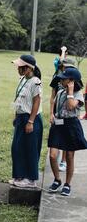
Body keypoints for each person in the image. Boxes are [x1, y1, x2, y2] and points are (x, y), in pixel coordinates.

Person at [47, 67, 87, 196]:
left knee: (69, 156)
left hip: (71, 125)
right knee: (53, 155)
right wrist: (52, 114)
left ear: (71, 81)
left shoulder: (78, 94)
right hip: (58, 125)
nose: (61, 80)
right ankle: (57, 179)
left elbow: (70, 106)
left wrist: (70, 91)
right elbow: (55, 103)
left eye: (64, 79)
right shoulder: (60, 92)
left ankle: (67, 184)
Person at [10, 55, 43, 188]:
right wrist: (16, 116)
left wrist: (31, 121)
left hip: (30, 118)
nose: (18, 68)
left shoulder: (35, 82)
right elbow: (18, 99)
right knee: (17, 148)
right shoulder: (23, 79)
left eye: (20, 66)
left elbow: (37, 102)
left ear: (28, 68)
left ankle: (31, 179)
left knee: (30, 148)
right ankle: (19, 176)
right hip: (21, 117)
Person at [49, 58, 77, 172]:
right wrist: (51, 113)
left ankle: (64, 161)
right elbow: (52, 97)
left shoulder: (75, 81)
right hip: (58, 113)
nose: (67, 68)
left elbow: (75, 100)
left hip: (69, 115)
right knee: (57, 139)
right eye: (65, 66)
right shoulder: (57, 78)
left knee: (67, 140)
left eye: (69, 67)